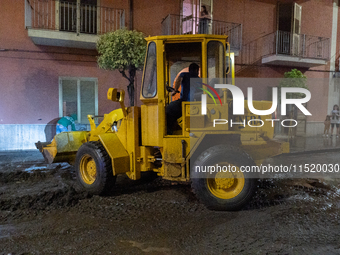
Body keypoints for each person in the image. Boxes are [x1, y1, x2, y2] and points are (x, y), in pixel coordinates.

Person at [166, 63, 200, 134]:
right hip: (197, 104)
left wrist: (175, 90)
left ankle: (169, 131)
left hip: (185, 103)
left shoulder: (185, 74)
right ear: (196, 70)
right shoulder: (200, 80)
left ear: (189, 69)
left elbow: (179, 79)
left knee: (169, 109)